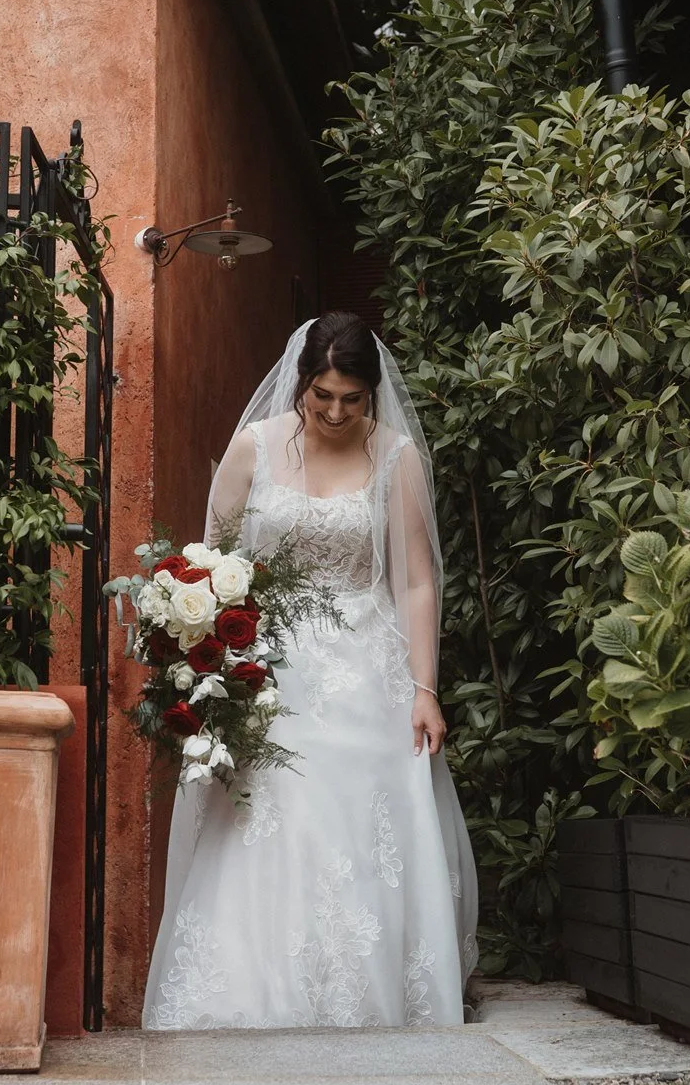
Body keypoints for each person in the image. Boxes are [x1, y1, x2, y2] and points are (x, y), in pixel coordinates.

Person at [142, 312, 479, 1029]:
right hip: (272, 671)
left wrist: (425, 688)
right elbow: (211, 567)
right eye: (321, 395)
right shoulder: (252, 450)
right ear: (300, 382)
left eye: (350, 399)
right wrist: (209, 665)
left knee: (360, 829)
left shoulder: (395, 458)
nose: (333, 412)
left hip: (369, 669)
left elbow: (417, 580)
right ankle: (248, 997)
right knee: (268, 820)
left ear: (370, 394)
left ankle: (367, 998)